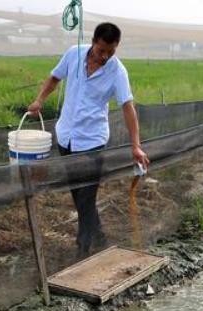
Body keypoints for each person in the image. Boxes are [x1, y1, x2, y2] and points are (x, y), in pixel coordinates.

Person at [28, 22, 150, 257]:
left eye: (111, 51)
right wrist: (39, 100)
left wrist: (136, 146)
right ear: (93, 42)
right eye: (101, 50)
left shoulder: (117, 71)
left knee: (86, 196)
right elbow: (54, 77)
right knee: (78, 194)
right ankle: (100, 236)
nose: (105, 56)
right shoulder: (74, 54)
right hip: (66, 137)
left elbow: (128, 107)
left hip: (92, 142)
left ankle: (82, 249)